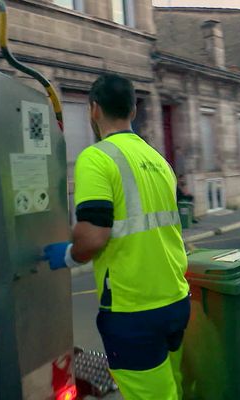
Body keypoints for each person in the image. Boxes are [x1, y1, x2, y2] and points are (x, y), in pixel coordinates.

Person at [43, 74, 190, 400]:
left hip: (133, 308)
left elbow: (93, 236)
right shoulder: (158, 160)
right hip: (175, 299)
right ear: (133, 111)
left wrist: (69, 254)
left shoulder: (97, 158)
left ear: (93, 110)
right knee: (171, 386)